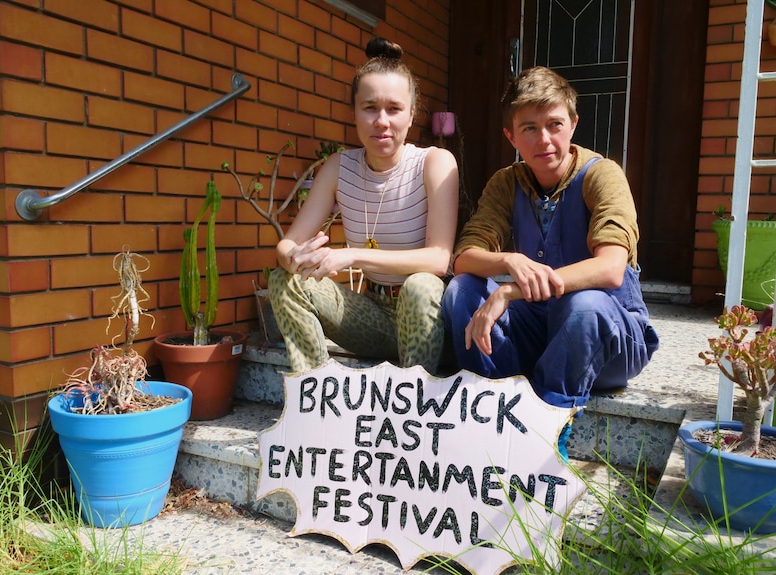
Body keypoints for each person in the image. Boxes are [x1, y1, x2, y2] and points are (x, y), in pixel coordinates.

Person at [441, 66, 659, 460]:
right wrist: (508, 258)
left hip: (608, 336)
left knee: (583, 305)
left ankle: (544, 433)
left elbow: (611, 268)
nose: (544, 139)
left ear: (573, 124)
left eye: (554, 124)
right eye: (529, 128)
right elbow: (463, 259)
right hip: (539, 331)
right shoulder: (507, 182)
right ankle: (485, 407)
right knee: (462, 291)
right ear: (510, 135)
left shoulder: (602, 175)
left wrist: (510, 288)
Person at [268, 37, 459, 375]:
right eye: (370, 108)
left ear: (412, 114)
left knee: (421, 284)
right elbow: (288, 242)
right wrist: (294, 257)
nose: (381, 121)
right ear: (354, 113)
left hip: (428, 320)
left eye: (394, 109)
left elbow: (439, 259)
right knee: (283, 280)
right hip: (372, 316)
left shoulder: (435, 162)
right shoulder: (339, 167)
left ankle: (413, 404)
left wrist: (351, 255)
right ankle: (317, 391)